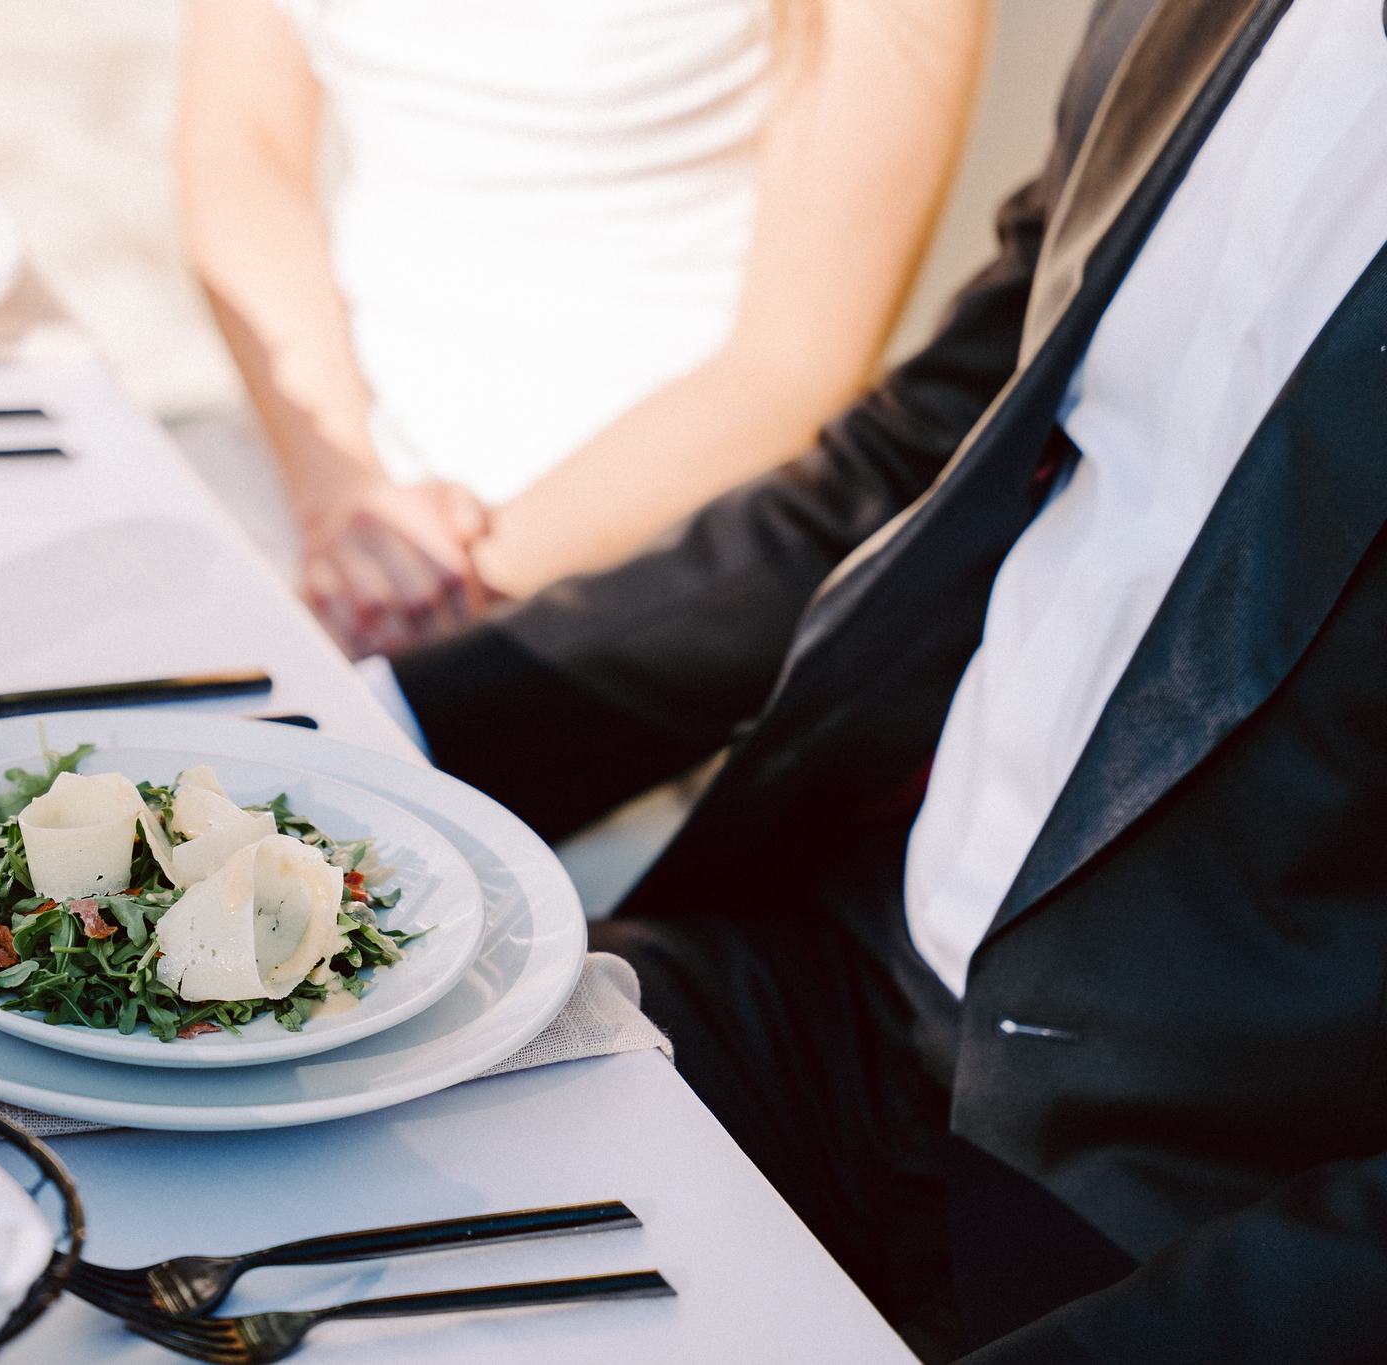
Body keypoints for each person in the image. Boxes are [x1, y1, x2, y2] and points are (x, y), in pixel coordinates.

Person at [390, 0, 1387, 1359]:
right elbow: (913, 462)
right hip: (832, 982)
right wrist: (372, 733)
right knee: (260, 1139)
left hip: (1164, 1224)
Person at [179, 0, 988, 658]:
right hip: (322, 471)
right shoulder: (340, 510)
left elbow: (795, 360)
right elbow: (242, 146)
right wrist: (343, 500)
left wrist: (442, 585)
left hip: (643, 556)